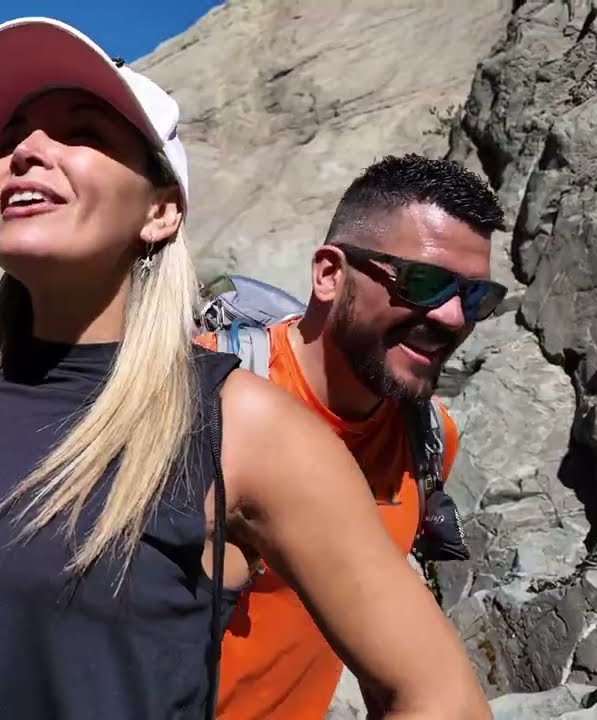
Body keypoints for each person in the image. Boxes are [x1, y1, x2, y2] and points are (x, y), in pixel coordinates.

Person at [0, 17, 490, 720]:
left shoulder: (240, 426)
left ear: (160, 210)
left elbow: (440, 696)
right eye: (15, 135)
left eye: (83, 131)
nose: (29, 151)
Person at [202, 155, 508, 720]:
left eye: (475, 298)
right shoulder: (202, 395)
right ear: (329, 275)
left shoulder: (428, 438)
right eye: (424, 281)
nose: (451, 318)